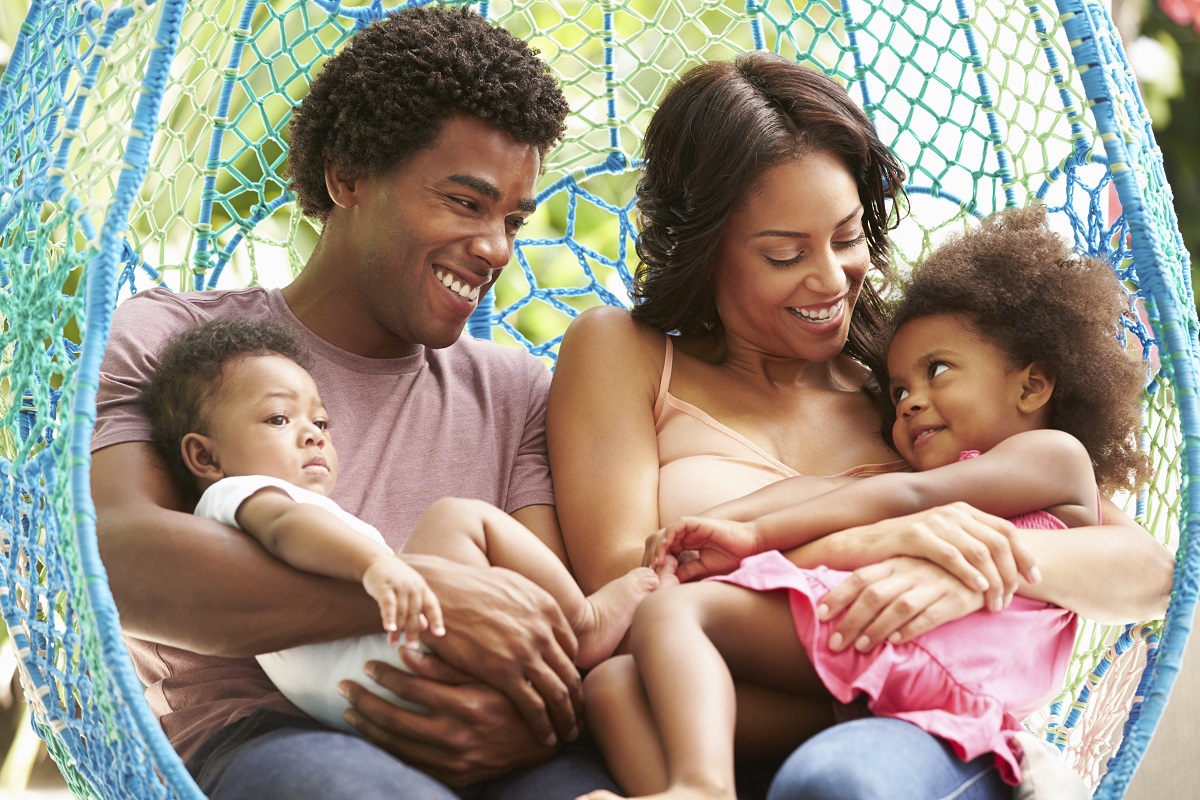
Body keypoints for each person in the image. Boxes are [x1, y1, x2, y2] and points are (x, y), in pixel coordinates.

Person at [546, 53, 1174, 800]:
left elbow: (1146, 574)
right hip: (716, 688)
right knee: (617, 686)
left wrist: (976, 576)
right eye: (785, 254)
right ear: (706, 249)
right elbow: (630, 581)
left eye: (846, 238)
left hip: (903, 706)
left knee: (840, 782)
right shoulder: (627, 352)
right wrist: (879, 541)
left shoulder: (907, 383)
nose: (831, 278)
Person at [91, 7, 623, 800]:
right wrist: (427, 592)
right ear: (348, 178)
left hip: (498, 741)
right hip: (261, 735)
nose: (495, 249)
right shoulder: (177, 340)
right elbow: (121, 559)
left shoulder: (515, 394)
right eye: (465, 203)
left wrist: (524, 714)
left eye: (512, 218)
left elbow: (540, 625)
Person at [144, 317, 667, 733]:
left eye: (320, 422)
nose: (312, 435)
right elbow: (287, 529)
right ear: (204, 457)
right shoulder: (236, 494)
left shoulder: (259, 503)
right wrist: (377, 567)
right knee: (456, 517)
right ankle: (580, 620)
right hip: (399, 665)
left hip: (376, 701)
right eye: (279, 419)